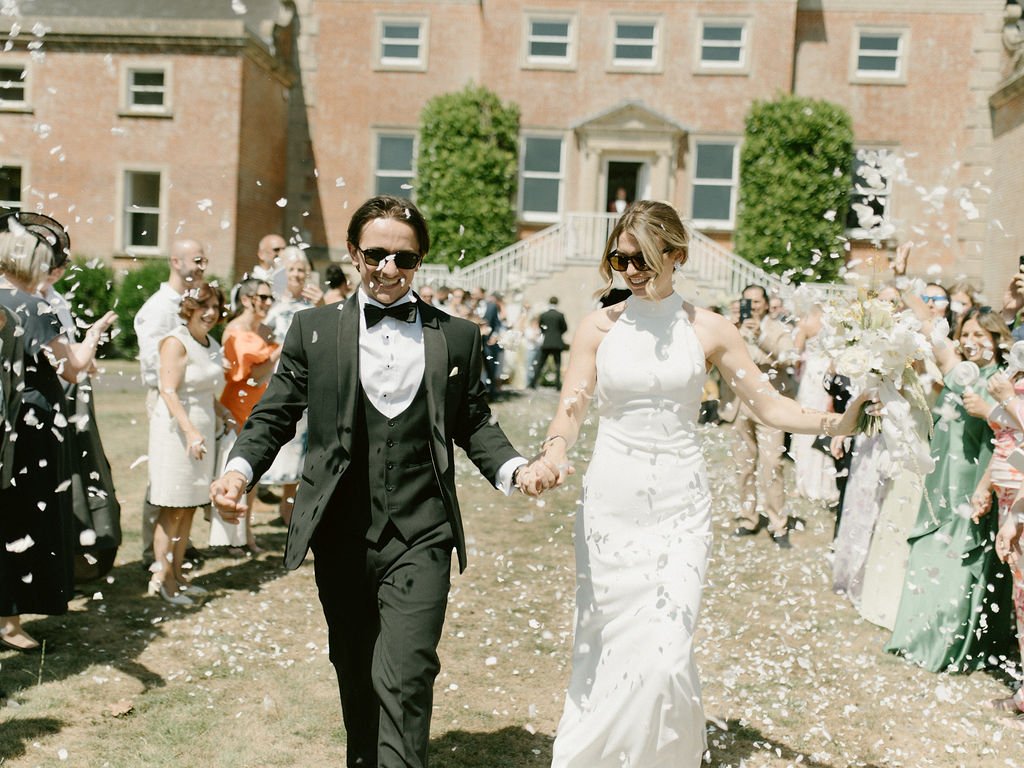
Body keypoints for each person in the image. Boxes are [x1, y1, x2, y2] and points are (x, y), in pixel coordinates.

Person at [210, 194, 557, 768]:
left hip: (422, 532)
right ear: (353, 254)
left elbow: (473, 421)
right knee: (354, 666)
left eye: (405, 259)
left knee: (408, 673)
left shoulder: (459, 337)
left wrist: (516, 468)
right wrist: (238, 471)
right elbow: (274, 414)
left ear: (420, 261)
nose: (389, 269)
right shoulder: (313, 331)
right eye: (376, 255)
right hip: (341, 533)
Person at [532, 200, 869, 767]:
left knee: (666, 651)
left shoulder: (711, 328)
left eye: (642, 259)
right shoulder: (597, 327)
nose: (630, 271)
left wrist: (839, 420)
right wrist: (554, 453)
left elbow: (766, 405)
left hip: (679, 502)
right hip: (612, 498)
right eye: (620, 259)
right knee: (606, 636)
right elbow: (571, 408)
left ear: (677, 256)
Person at [0, 221, 115, 651]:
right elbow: (72, 366)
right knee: (24, 517)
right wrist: (93, 334)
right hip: (33, 425)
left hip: (5, 419)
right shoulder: (34, 308)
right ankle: (10, 619)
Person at [885, 305, 1017, 671]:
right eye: (967, 334)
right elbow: (929, 329)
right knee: (929, 555)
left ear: (997, 340)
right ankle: (915, 636)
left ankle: (947, 645)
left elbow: (1010, 443)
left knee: (960, 561)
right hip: (940, 480)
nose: (971, 341)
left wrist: (989, 410)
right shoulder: (958, 373)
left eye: (981, 335)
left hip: (973, 483)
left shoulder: (1001, 381)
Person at [147, 282, 229, 606]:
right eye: (204, 306)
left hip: (203, 433)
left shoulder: (210, 343)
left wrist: (226, 414)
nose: (211, 313)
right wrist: (191, 430)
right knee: (172, 508)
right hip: (177, 436)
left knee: (190, 507)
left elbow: (207, 391)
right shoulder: (176, 342)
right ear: (189, 307)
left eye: (216, 307)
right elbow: (168, 391)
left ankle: (179, 575)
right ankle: (164, 581)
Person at [134, 239, 208, 569]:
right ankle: (154, 553)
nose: (202, 266)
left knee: (186, 476)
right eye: (196, 259)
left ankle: (181, 544)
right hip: (167, 397)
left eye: (204, 259)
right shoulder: (157, 308)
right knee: (164, 477)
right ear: (175, 262)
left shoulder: (194, 302)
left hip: (193, 398)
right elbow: (154, 364)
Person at [260, 245, 323, 527]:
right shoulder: (270, 306)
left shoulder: (313, 306)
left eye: (302, 270)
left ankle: (288, 513)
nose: (297, 274)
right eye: (293, 269)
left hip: (307, 386)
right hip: (276, 382)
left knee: (300, 447)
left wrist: (322, 307)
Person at [217, 278, 281, 551]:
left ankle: (247, 534)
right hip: (237, 407)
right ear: (246, 300)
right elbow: (252, 373)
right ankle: (233, 539)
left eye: (270, 298)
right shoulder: (236, 331)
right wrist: (283, 347)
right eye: (262, 297)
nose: (268, 303)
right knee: (235, 475)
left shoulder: (262, 330)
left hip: (257, 406)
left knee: (252, 477)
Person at [732, 283, 798, 546]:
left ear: (767, 304)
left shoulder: (778, 329)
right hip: (740, 405)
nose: (753, 306)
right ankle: (748, 518)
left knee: (772, 466)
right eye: (747, 301)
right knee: (743, 467)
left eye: (757, 301)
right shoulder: (733, 328)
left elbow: (788, 358)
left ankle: (778, 524)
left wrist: (760, 335)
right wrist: (734, 327)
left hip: (770, 407)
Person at [529, 296, 568, 389]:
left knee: (540, 364)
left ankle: (533, 383)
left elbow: (541, 326)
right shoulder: (560, 315)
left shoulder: (544, 315)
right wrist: (558, 334)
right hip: (557, 343)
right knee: (558, 365)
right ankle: (558, 385)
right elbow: (565, 328)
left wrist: (545, 333)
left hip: (546, 342)